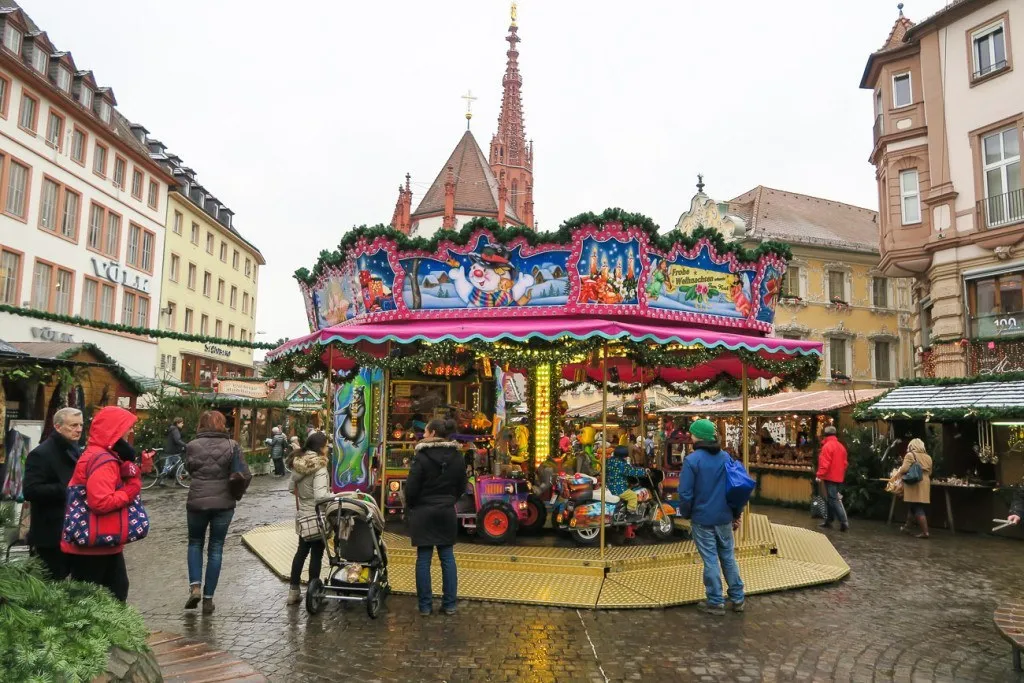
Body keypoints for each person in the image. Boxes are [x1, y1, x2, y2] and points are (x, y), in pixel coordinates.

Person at [61, 406, 142, 602]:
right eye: (127, 426)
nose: (130, 431)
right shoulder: (104, 461)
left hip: (101, 542)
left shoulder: (96, 453)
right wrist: (129, 491)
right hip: (97, 543)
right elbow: (100, 502)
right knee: (103, 598)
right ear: (115, 429)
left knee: (110, 592)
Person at [184, 410, 251, 613]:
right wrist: (236, 493)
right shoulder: (232, 446)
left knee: (195, 543)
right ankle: (208, 599)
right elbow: (244, 474)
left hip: (197, 501)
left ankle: (195, 586)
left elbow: (189, 469)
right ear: (222, 424)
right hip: (224, 504)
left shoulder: (192, 445)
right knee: (216, 548)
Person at [677, 419, 744, 616]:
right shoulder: (725, 457)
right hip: (724, 516)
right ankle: (738, 597)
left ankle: (715, 601)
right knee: (728, 557)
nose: (690, 436)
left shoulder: (692, 460)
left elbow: (685, 493)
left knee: (711, 559)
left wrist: (686, 513)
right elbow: (736, 486)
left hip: (702, 518)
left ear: (698, 437)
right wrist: (736, 513)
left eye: (692, 433)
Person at [404, 418, 466, 616]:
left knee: (424, 559)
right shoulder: (457, 456)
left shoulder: (421, 456)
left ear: (432, 433)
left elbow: (411, 487)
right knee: (447, 557)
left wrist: (412, 505)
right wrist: (450, 499)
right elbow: (462, 485)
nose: (423, 435)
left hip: (423, 511)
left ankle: (425, 606)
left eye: (425, 432)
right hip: (446, 510)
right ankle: (450, 604)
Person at [23, 407, 83, 580]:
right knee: (52, 583)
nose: (78, 429)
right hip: (50, 533)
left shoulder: (75, 449)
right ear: (58, 427)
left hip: (73, 529)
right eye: (73, 425)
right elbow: (30, 490)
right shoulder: (41, 454)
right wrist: (68, 489)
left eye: (80, 425)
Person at [287, 431, 331, 605]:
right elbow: (320, 496)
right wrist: (334, 496)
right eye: (326, 446)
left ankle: (293, 592)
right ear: (320, 448)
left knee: (301, 552)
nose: (327, 449)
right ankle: (315, 593)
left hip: (303, 515)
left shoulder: (298, 462)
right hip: (317, 515)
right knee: (317, 554)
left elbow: (291, 488)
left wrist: (304, 498)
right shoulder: (320, 466)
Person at [891, 438, 933, 539]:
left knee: (917, 507)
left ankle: (925, 532)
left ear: (912, 446)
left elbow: (904, 469)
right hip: (925, 482)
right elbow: (930, 472)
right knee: (913, 506)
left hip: (914, 482)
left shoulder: (910, 455)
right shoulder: (928, 457)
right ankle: (907, 527)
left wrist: (897, 473)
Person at [815, 426, 849, 532]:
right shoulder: (841, 446)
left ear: (825, 435)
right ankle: (828, 521)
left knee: (833, 500)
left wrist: (819, 475)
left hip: (829, 476)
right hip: (839, 476)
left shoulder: (827, 446)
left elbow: (824, 463)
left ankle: (843, 521)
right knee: (830, 499)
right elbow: (845, 463)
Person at [605, 446, 648, 519]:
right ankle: (631, 513)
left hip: (610, 486)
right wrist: (644, 472)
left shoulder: (610, 461)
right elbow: (632, 471)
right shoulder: (622, 464)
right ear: (624, 456)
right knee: (633, 496)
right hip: (618, 488)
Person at [159, 417, 187, 486]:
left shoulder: (173, 429)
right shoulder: (175, 429)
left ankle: (174, 480)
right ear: (177, 423)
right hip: (173, 451)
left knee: (173, 464)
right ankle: (164, 480)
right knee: (177, 465)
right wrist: (185, 445)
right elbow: (177, 440)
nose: (182, 424)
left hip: (171, 450)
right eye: (181, 423)